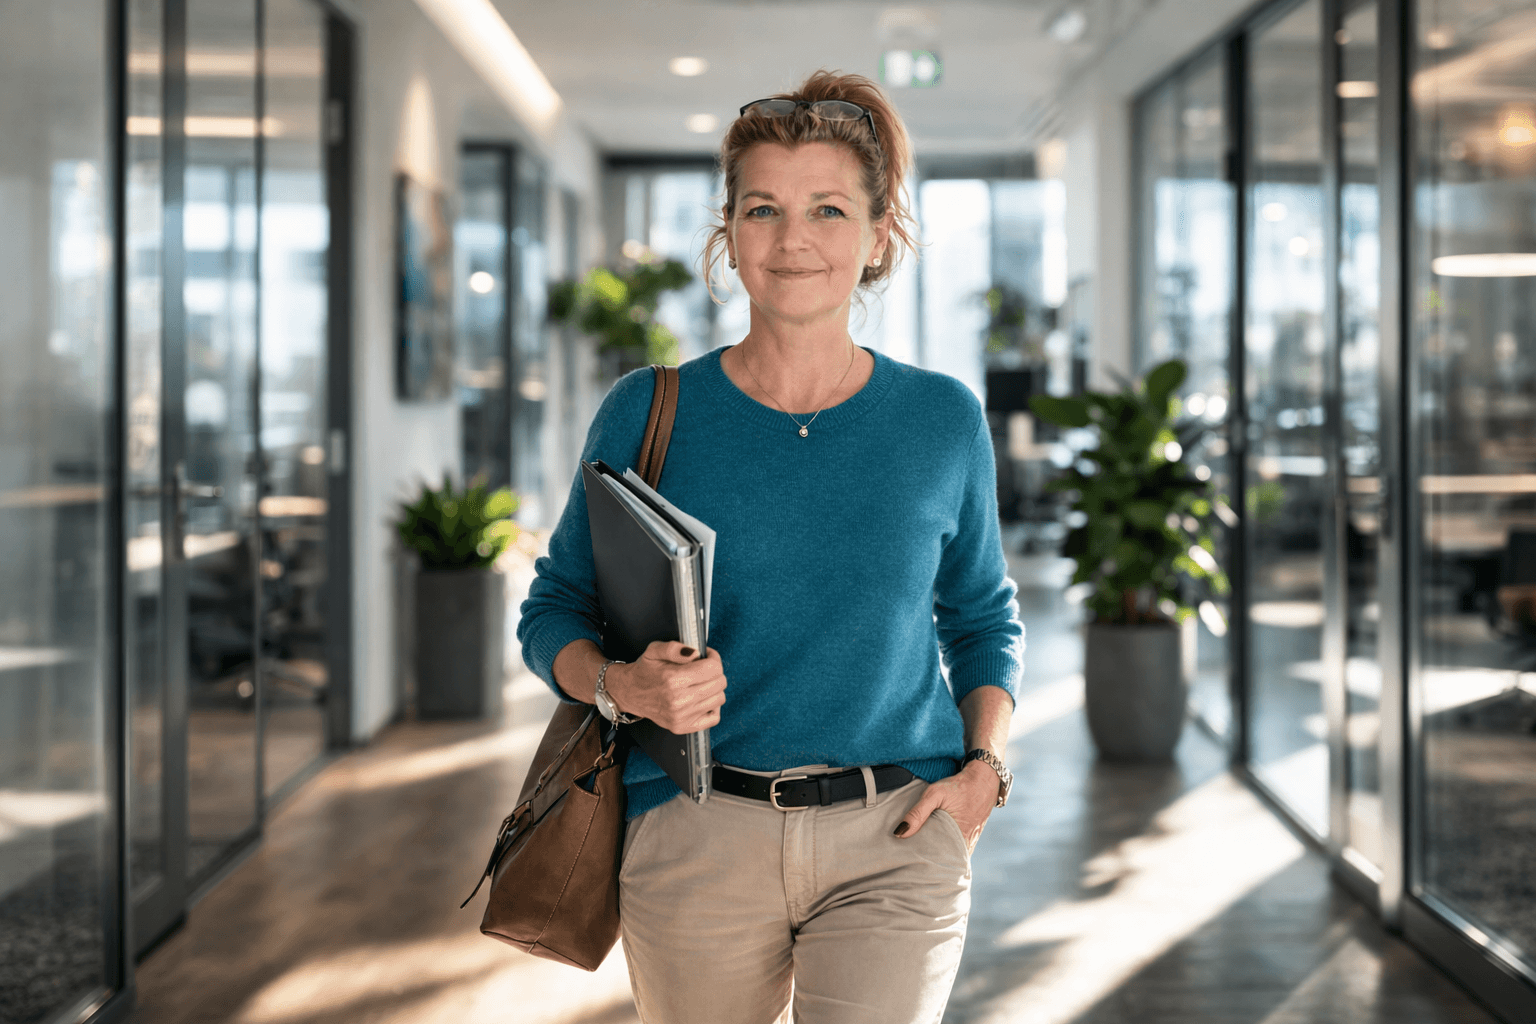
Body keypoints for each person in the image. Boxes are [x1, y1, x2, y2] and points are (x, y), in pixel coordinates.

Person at [517, 69, 1023, 1024]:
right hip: (695, 834)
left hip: (897, 832)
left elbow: (983, 613)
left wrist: (984, 772)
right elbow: (552, 609)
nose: (794, 240)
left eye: (829, 210)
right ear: (730, 234)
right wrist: (619, 685)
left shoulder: (940, 420)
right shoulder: (649, 410)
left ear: (879, 237)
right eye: (763, 210)